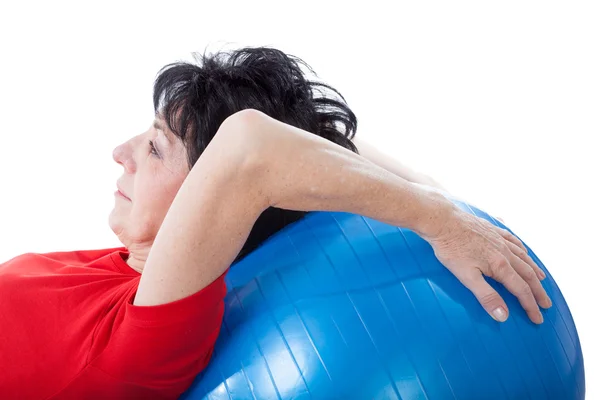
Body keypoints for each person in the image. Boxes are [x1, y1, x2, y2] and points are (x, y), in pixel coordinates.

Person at [0, 47, 552, 399]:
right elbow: (309, 146)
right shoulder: (118, 271)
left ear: (210, 193)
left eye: (156, 149)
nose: (121, 152)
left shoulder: (143, 337)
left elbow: (250, 147)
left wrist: (440, 218)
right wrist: (430, 191)